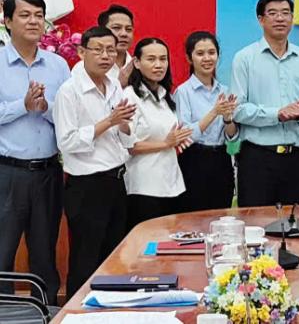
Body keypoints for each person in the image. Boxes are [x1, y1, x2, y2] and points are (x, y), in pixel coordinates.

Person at [54, 26, 137, 298]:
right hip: (87, 187)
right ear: (81, 52)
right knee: (85, 259)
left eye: (110, 50)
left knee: (113, 256)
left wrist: (122, 124)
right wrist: (108, 122)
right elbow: (67, 142)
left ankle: (109, 310)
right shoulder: (69, 91)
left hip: (116, 180)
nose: (105, 56)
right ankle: (77, 312)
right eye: (98, 50)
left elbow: (125, 138)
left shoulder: (114, 86)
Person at [0, 0, 70, 304]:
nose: (33, 21)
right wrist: (23, 105)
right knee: (3, 252)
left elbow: (69, 115)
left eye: (39, 15)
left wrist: (45, 108)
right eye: (25, 15)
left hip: (47, 172)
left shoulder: (58, 66)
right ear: (7, 21)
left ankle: (47, 312)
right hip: (7, 172)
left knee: (44, 253)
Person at [231, 0, 299, 207]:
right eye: (272, 13)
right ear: (260, 19)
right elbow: (237, 109)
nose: (280, 18)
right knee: (255, 221)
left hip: (295, 158)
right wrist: (277, 114)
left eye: (285, 13)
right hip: (257, 158)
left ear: (292, 18)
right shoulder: (244, 58)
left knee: (292, 222)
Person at [123, 38, 192, 229]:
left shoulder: (165, 96)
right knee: (147, 243)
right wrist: (166, 143)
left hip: (172, 183)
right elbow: (128, 145)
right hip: (143, 186)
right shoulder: (129, 96)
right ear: (137, 62)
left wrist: (178, 140)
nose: (158, 65)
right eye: (151, 59)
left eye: (163, 59)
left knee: (170, 241)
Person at [175, 31, 238, 212]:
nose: (207, 58)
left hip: (221, 159)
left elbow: (232, 136)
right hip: (193, 159)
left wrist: (227, 118)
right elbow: (186, 135)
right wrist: (214, 112)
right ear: (189, 58)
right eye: (200, 53)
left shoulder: (225, 90)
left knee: (221, 213)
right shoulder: (183, 92)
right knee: (194, 216)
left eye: (211, 52)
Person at [72, 4, 135, 86]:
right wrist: (119, 85)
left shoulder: (140, 66)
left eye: (128, 29)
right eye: (116, 28)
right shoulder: (83, 68)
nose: (124, 34)